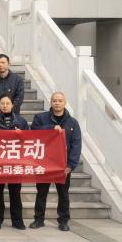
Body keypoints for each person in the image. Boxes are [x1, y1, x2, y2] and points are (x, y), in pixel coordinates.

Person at [30, 91, 82, 232]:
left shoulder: (73, 123)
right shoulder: (40, 118)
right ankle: (38, 219)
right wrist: (50, 128)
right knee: (41, 192)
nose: (57, 103)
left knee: (63, 194)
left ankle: (63, 221)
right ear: (51, 102)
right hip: (45, 163)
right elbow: (33, 132)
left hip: (63, 165)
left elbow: (76, 145)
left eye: (60, 101)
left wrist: (70, 165)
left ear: (65, 103)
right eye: (54, 100)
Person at [0, 93, 29, 230]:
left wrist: (21, 135)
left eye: (7, 103)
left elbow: (29, 141)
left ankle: (17, 221)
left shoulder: (21, 121)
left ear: (12, 105)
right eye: (2, 103)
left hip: (15, 161)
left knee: (15, 192)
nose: (5, 106)